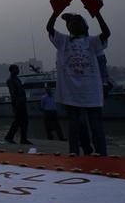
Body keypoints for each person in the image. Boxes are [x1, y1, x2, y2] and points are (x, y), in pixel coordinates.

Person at [46, 10, 110, 156]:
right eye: (72, 21)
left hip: (91, 93)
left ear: (86, 27)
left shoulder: (92, 42)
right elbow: (49, 28)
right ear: (68, 27)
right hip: (71, 93)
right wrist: (55, 13)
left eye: (79, 20)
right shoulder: (63, 42)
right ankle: (75, 155)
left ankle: (102, 156)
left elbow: (106, 33)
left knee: (96, 127)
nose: (75, 23)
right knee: (74, 127)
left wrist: (98, 13)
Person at [4, 64, 32, 144]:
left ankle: (23, 138)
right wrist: (15, 105)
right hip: (18, 103)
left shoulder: (17, 79)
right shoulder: (10, 80)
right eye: (16, 69)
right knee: (18, 121)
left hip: (22, 102)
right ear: (12, 70)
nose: (18, 70)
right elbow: (13, 94)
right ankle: (9, 137)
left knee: (24, 121)